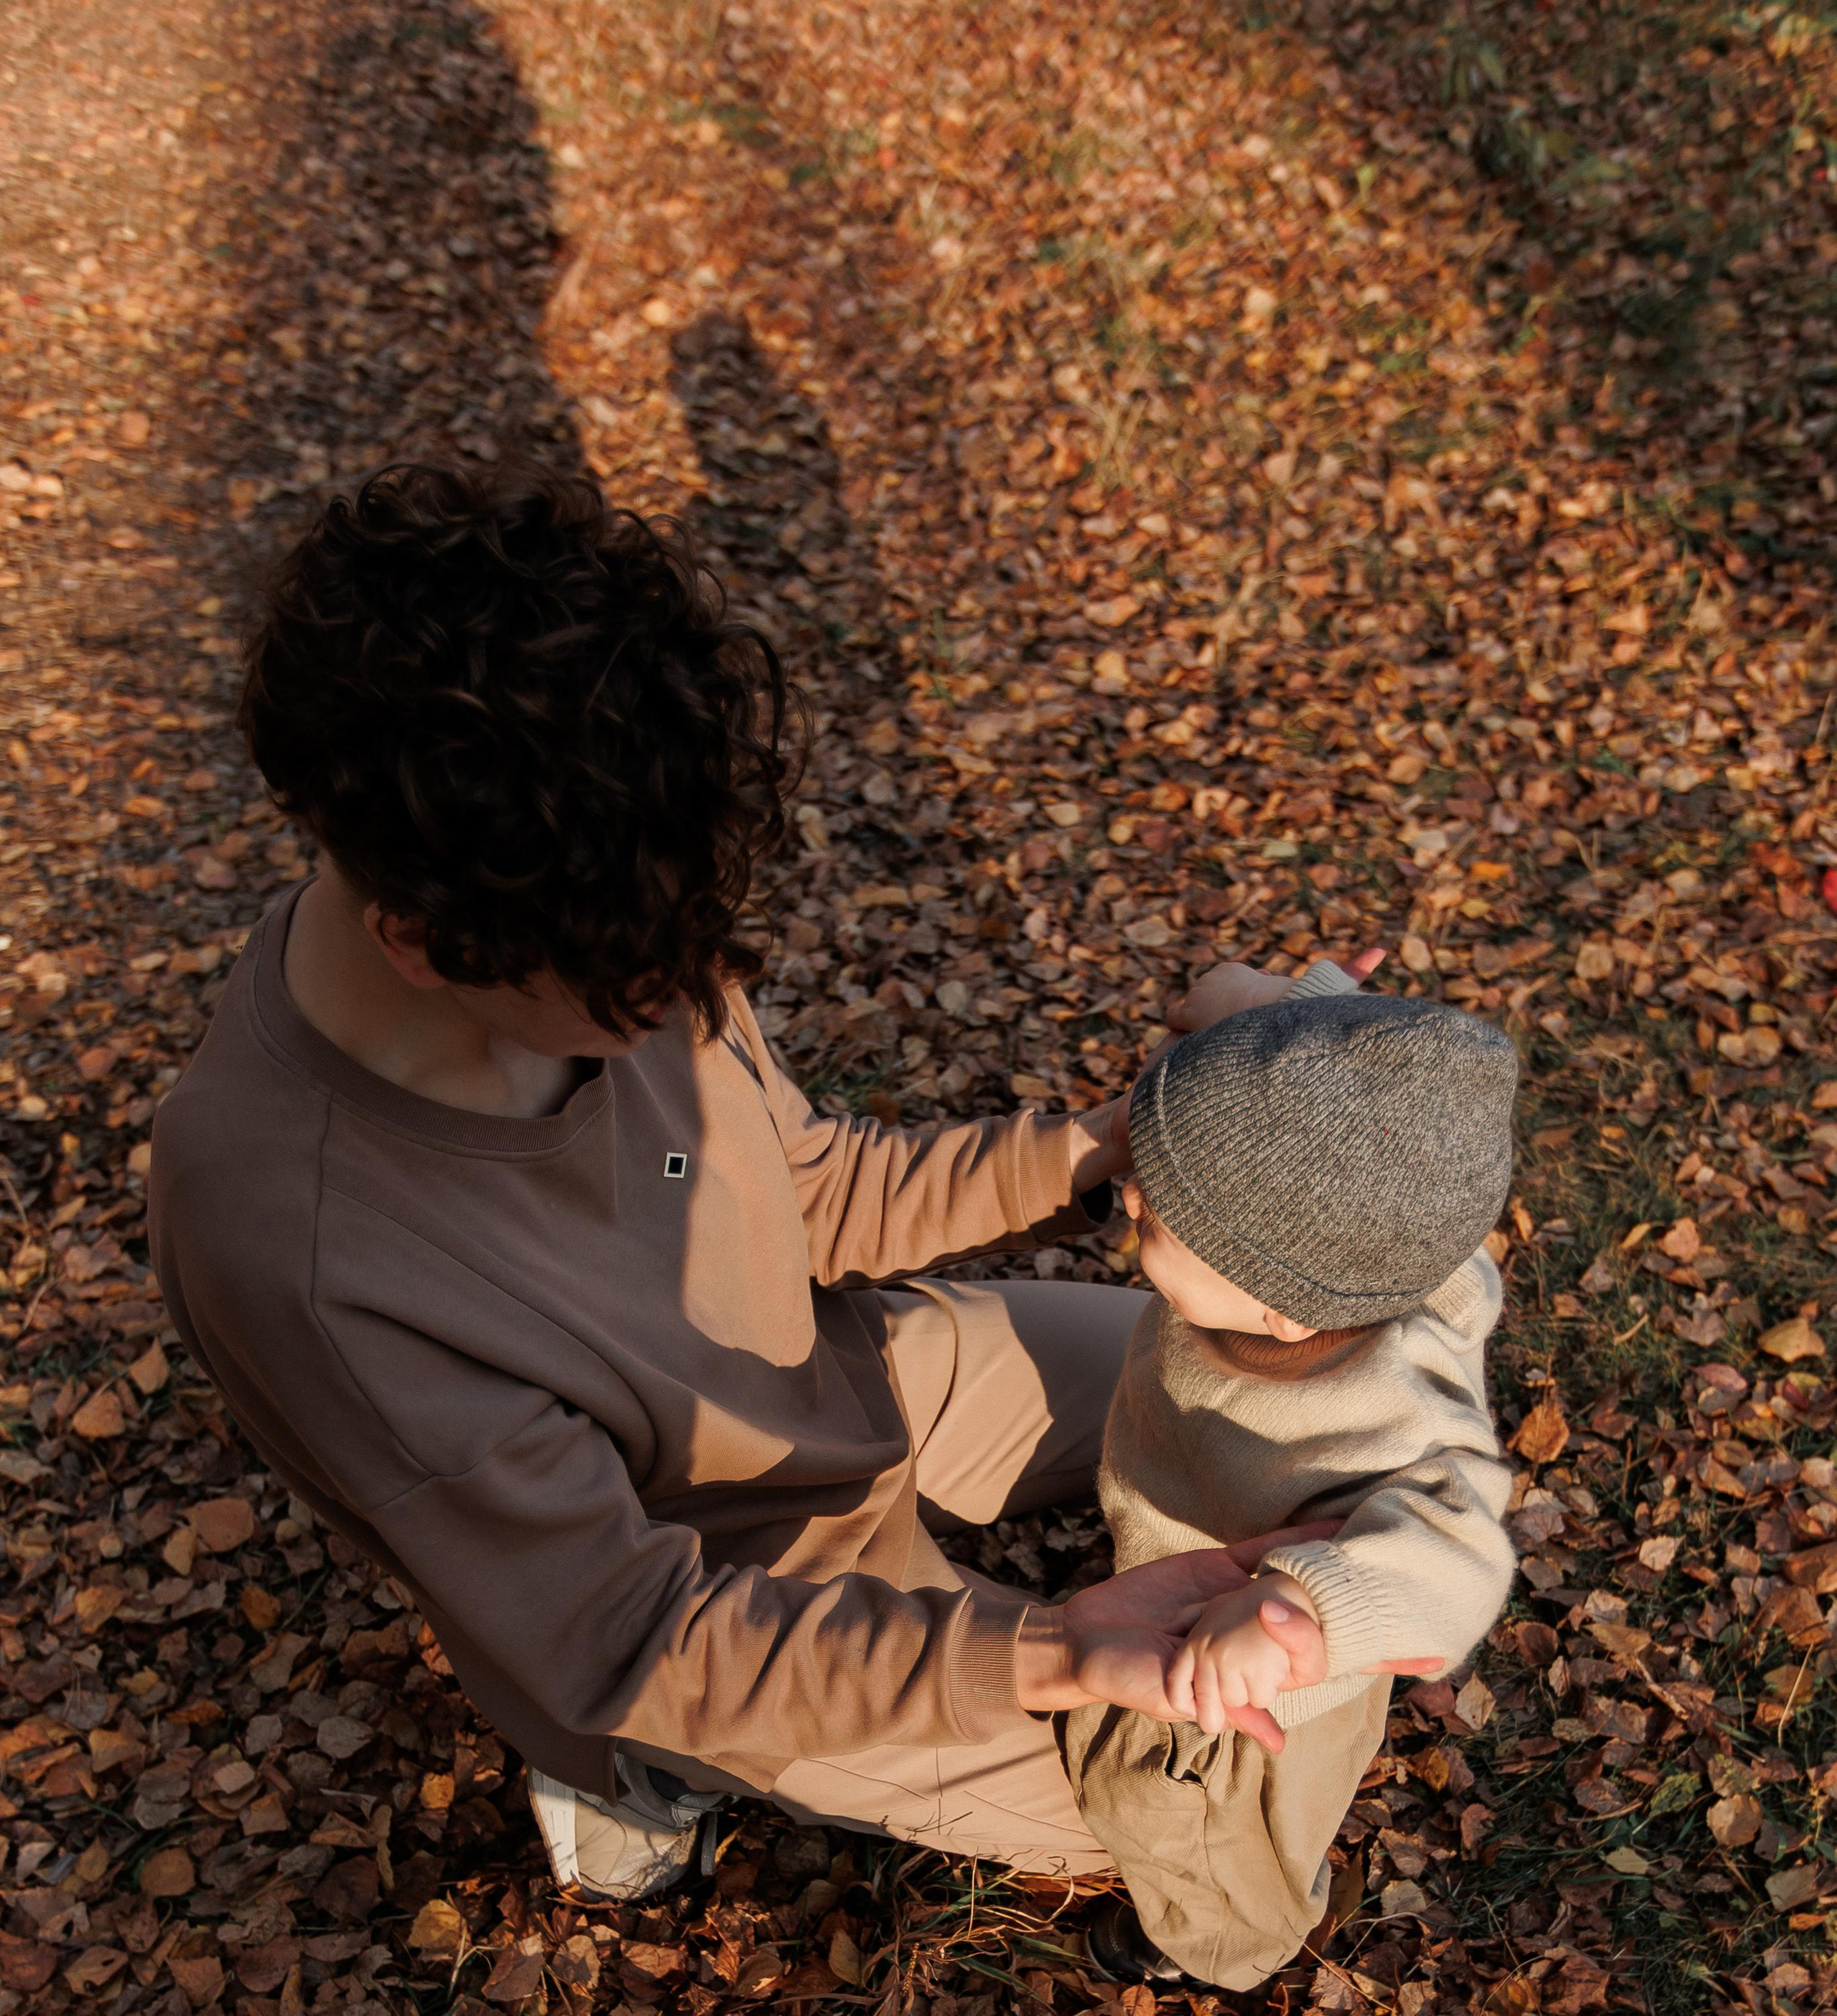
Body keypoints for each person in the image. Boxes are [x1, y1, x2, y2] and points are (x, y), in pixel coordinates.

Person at [149, 459, 1391, 1911]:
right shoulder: (302, 1248)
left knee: (1308, 1387)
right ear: (422, 943)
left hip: (839, 1385)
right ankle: (627, 1777)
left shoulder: (587, 885)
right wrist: (1057, 1649)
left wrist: (1125, 1141)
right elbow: (638, 1631)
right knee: (1216, 1791)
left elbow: (804, 1192)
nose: (695, 987)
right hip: (716, 1611)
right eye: (644, 975)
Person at [1060, 963, 1519, 1986]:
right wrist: (1282, 1002)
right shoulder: (1379, 1227)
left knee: (1183, 1820)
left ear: (1282, 1307)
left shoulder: (1384, 1417)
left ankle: (1220, 1942)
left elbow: (1458, 1555)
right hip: (1195, 1511)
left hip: (1245, 1677)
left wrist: (1297, 1616)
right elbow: (1345, 1094)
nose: (1130, 1196)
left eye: (1158, 1218)